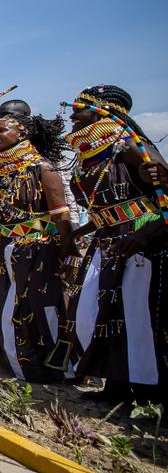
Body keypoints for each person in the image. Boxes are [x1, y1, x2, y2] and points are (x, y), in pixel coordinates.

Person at [65, 85, 167, 402]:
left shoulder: (131, 147)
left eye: (79, 109)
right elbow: (104, 209)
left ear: (102, 112)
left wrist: (143, 234)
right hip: (106, 241)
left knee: (135, 315)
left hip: (140, 242)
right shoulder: (90, 158)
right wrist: (76, 233)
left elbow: (162, 191)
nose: (72, 115)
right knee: (96, 314)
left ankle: (148, 394)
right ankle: (115, 385)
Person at [0, 110, 73, 382]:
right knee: (6, 306)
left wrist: (68, 254)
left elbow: (61, 216)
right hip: (5, 248)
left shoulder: (43, 168)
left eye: (1, 130)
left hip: (38, 250)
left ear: (23, 133)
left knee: (37, 309)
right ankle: (18, 366)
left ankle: (54, 371)